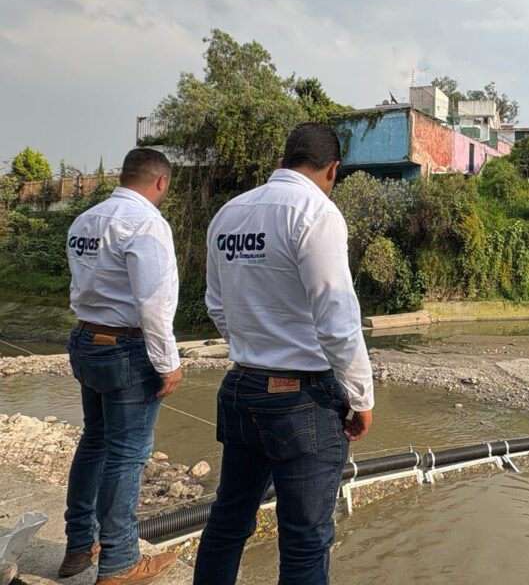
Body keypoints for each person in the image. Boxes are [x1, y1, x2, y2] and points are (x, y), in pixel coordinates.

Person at [194, 122, 375, 585]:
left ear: (282, 162)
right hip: (302, 402)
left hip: (241, 387)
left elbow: (216, 303)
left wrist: (253, 345)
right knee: (305, 539)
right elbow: (336, 317)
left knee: (228, 521)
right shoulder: (317, 213)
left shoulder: (229, 214)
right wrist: (360, 396)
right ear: (332, 170)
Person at [60, 148, 182, 584]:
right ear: (161, 182)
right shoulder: (147, 223)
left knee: (95, 441)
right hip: (126, 350)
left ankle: (79, 546)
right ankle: (119, 562)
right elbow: (152, 301)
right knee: (127, 456)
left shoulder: (86, 220)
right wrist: (168, 363)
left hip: (87, 340)